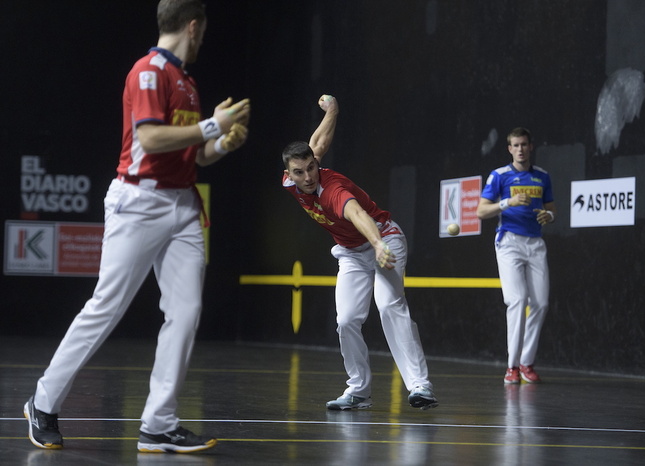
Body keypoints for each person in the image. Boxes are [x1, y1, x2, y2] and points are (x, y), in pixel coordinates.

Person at [23, 0, 251, 454]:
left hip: (183, 206)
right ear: (192, 26)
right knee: (106, 306)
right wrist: (213, 125)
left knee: (186, 312)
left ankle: (159, 423)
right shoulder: (148, 72)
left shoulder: (187, 83)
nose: (203, 40)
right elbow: (150, 137)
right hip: (139, 202)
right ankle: (43, 403)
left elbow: (194, 154)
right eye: (203, 31)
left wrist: (223, 143)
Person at [281, 94, 438, 411]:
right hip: (351, 253)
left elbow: (357, 214)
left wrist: (378, 245)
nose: (308, 177)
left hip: (385, 238)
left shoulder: (332, 190)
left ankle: (420, 386)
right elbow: (317, 144)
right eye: (300, 171)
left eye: (311, 168)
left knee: (389, 304)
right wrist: (333, 110)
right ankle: (359, 391)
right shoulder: (292, 180)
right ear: (289, 173)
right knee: (347, 319)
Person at [476, 127, 556, 385]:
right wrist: (507, 203)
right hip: (509, 242)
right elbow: (481, 211)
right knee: (518, 300)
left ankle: (526, 363)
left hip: (536, 244)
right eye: (516, 145)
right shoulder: (499, 176)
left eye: (524, 144)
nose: (520, 149)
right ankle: (511, 367)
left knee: (541, 303)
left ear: (530, 147)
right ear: (510, 149)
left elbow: (551, 209)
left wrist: (549, 216)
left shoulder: (542, 176)